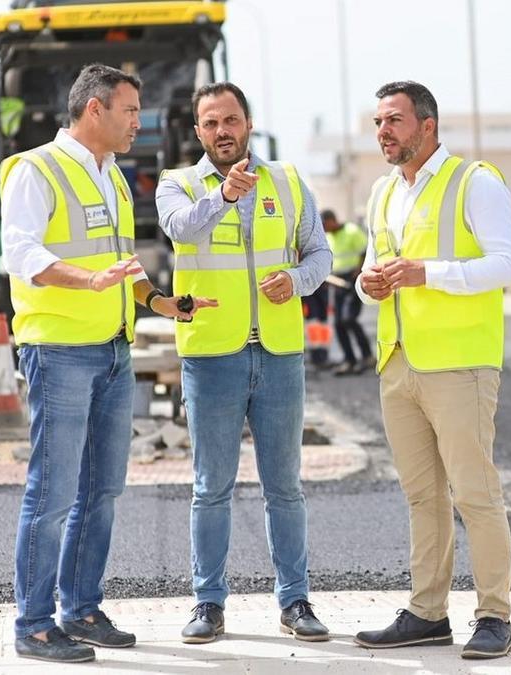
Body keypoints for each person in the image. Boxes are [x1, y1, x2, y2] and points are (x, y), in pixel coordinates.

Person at [1, 63, 211, 664]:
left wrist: (159, 302)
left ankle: (82, 609)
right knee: (53, 492)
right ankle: (34, 624)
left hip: (114, 351)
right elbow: (21, 253)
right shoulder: (35, 169)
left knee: (102, 490)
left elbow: (124, 261)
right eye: (128, 112)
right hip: (60, 349)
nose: (136, 124)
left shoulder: (113, 176)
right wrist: (89, 281)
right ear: (94, 109)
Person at [155, 82, 332, 645]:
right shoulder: (176, 185)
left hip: (278, 353)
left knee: (286, 486)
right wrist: (225, 197)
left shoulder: (288, 180)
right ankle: (208, 603)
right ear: (198, 131)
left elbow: (320, 253)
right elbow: (181, 230)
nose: (221, 131)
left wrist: (299, 281)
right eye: (210, 123)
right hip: (212, 355)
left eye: (230, 120)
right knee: (212, 487)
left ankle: (295, 601)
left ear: (249, 124)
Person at [353, 81, 511, 660]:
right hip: (398, 361)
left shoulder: (475, 181)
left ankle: (494, 616)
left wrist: (432, 273)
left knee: (476, 494)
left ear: (427, 125)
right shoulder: (382, 192)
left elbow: (508, 264)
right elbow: (372, 270)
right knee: (422, 497)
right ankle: (427, 612)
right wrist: (367, 283)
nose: (383, 131)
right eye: (378, 121)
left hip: (460, 364)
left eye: (394, 120)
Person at [322, 209, 373, 375]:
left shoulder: (351, 231)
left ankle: (367, 357)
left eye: (325, 224)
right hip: (337, 282)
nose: (324, 228)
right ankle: (349, 360)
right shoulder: (329, 237)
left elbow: (365, 252)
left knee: (349, 319)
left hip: (352, 280)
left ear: (332, 220)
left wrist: (358, 272)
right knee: (338, 323)